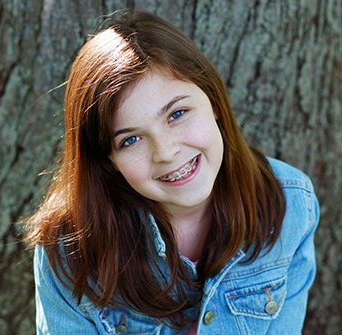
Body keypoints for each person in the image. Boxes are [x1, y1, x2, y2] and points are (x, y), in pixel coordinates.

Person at [26, 10, 319, 335]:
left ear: (214, 103)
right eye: (131, 140)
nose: (165, 153)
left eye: (177, 113)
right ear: (108, 161)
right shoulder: (71, 247)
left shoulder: (290, 205)